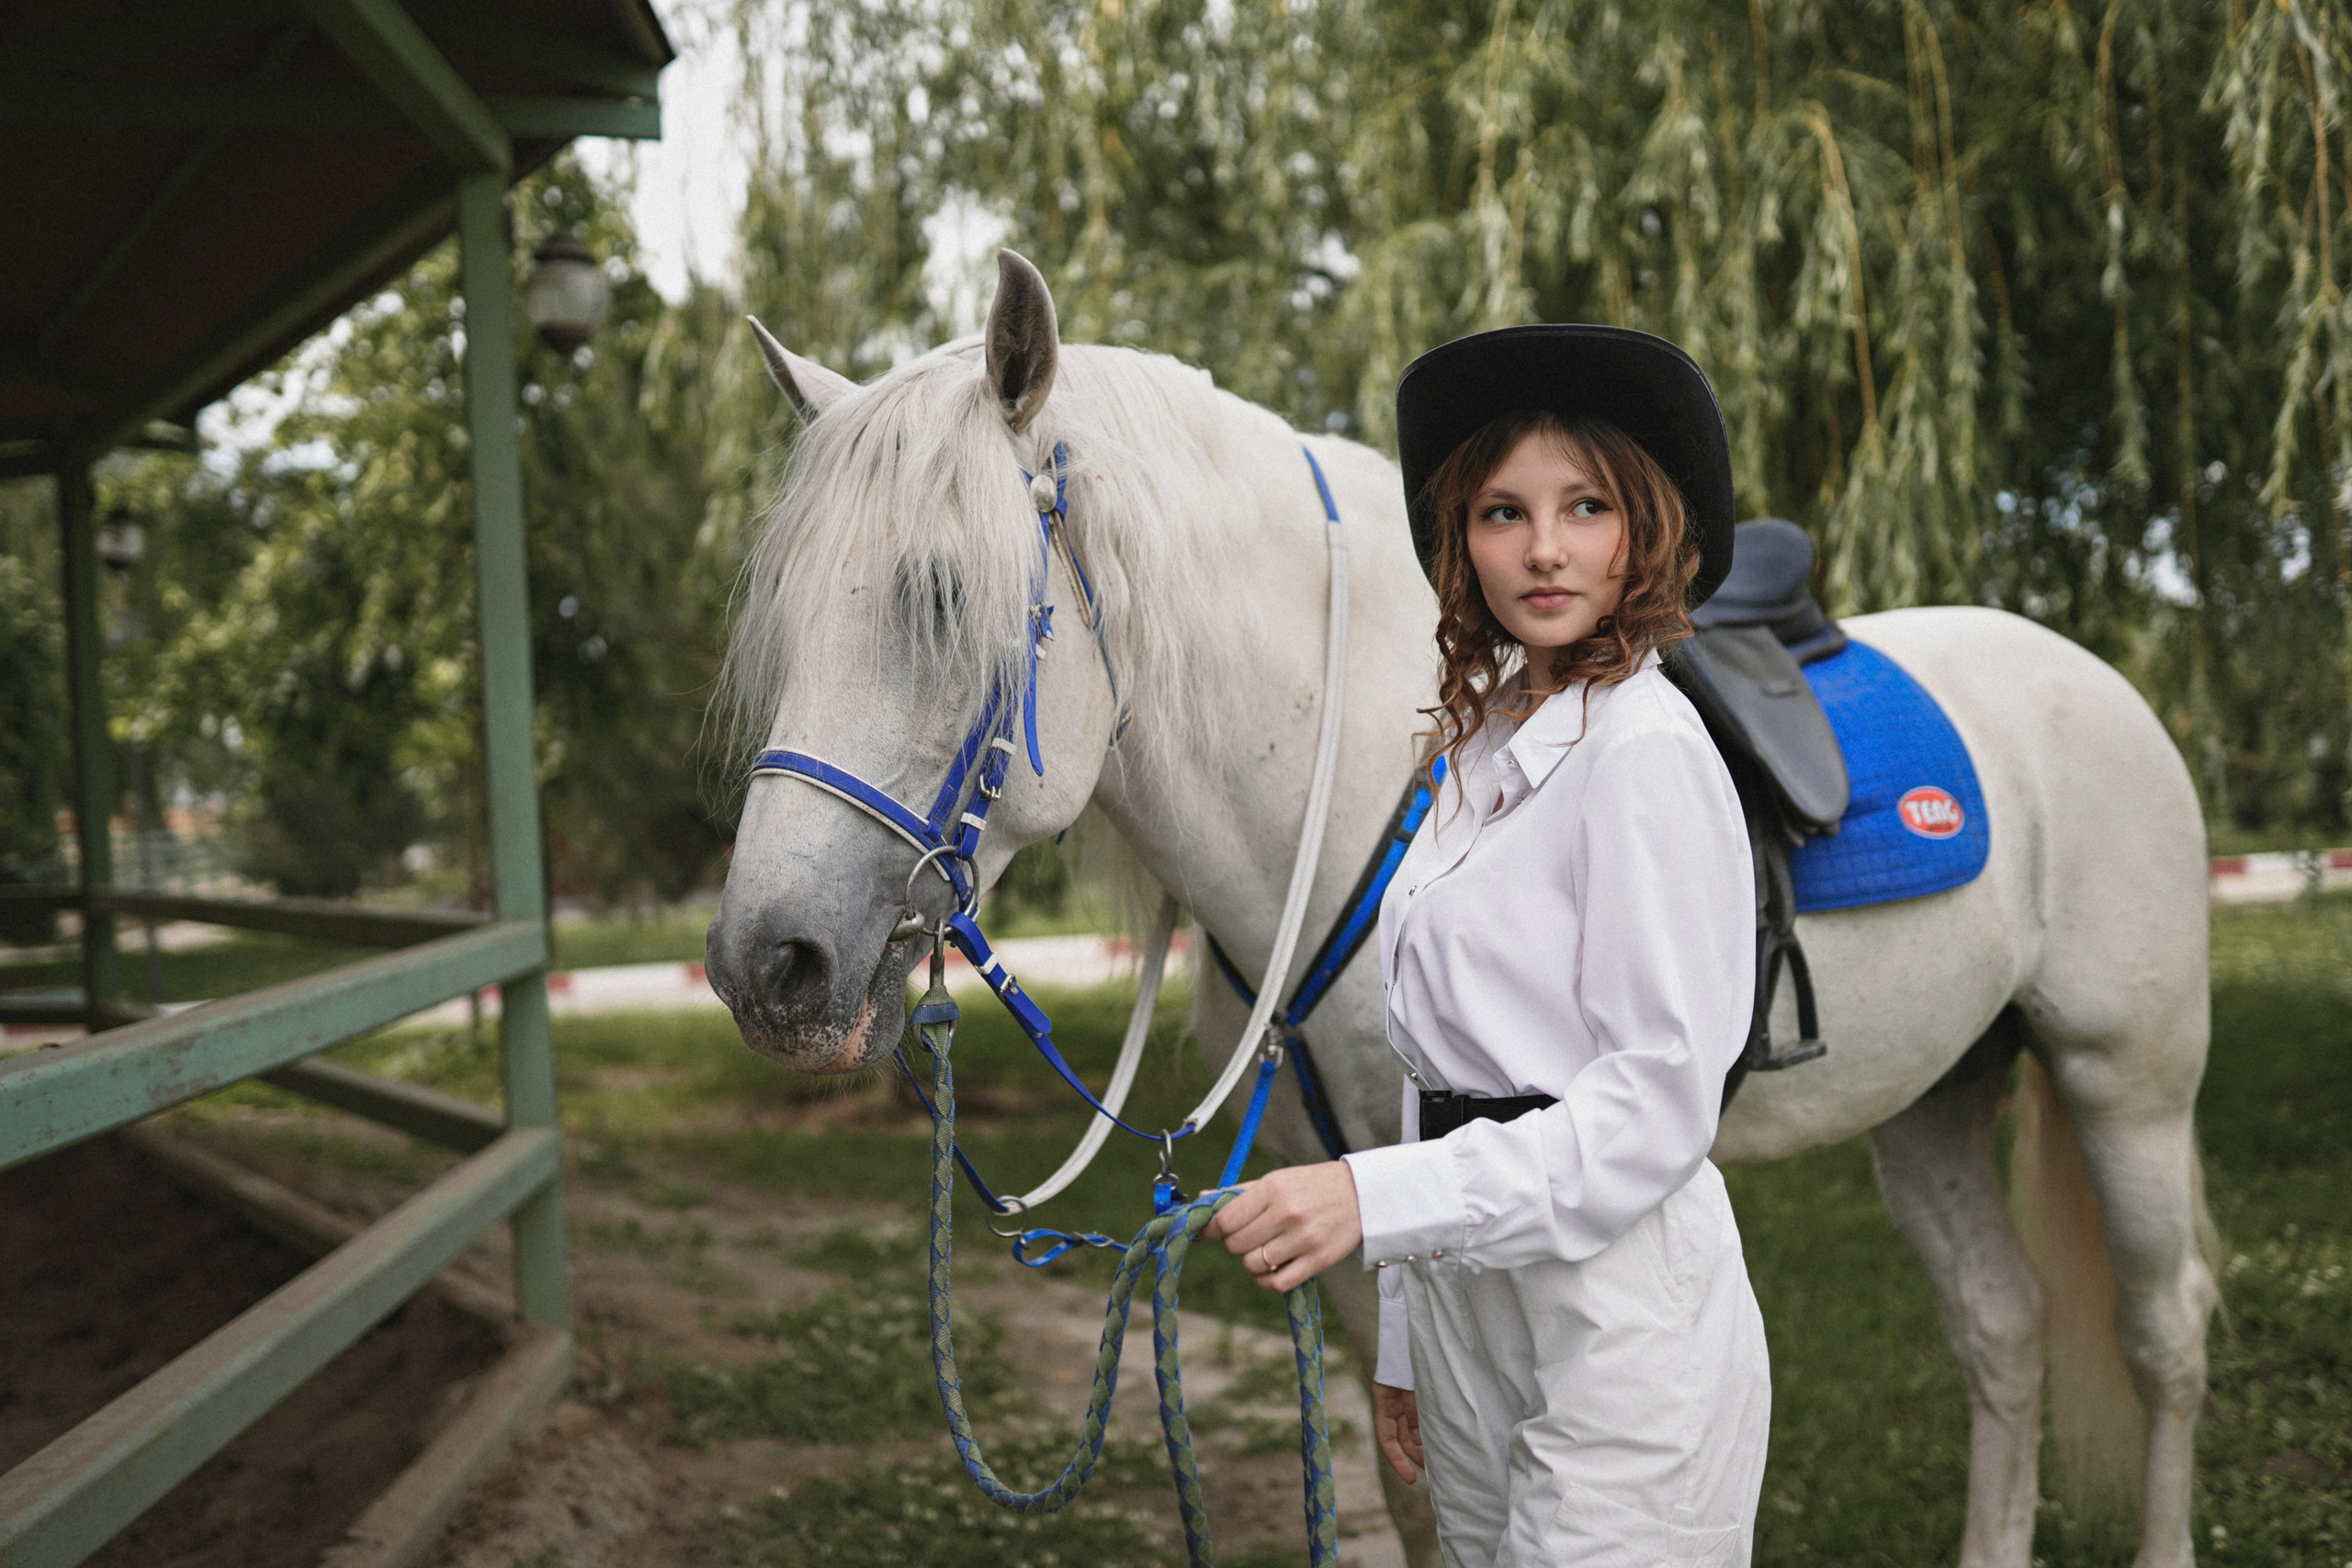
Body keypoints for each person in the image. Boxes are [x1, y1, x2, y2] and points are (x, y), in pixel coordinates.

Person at [1204, 324, 1771, 1565]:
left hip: (1614, 1327)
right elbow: (1441, 1087)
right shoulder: (1474, 751)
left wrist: (1368, 1200)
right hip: (1468, 1305)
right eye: (1504, 513)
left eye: (1587, 506)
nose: (1546, 548)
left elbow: (1650, 1110)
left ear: (1646, 529)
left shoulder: (1645, 751)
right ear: (1462, 542)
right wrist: (1410, 1339)